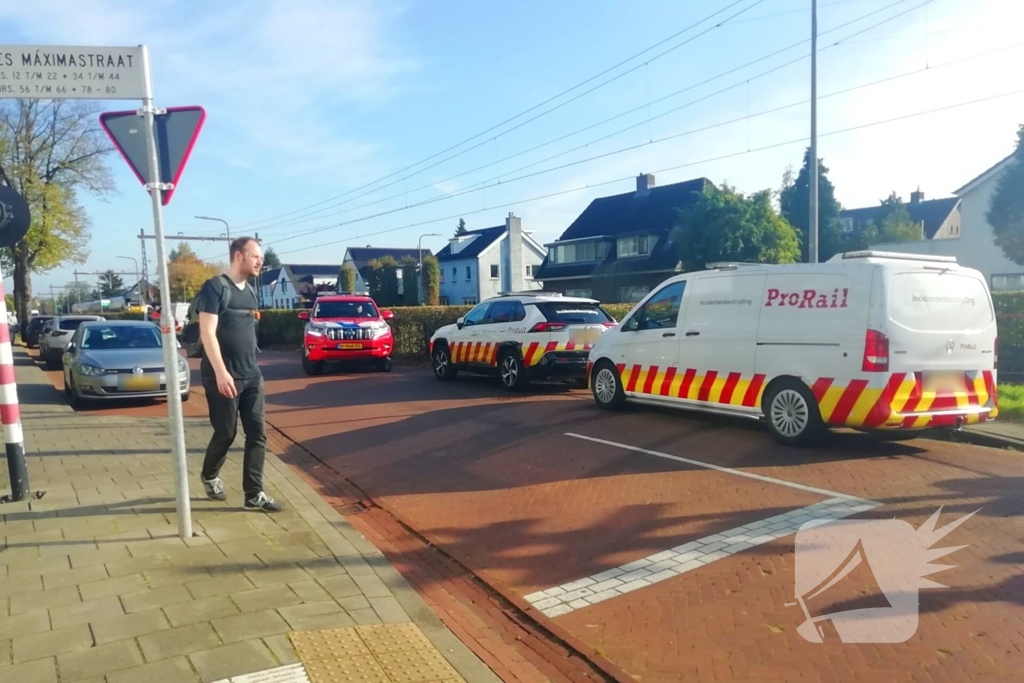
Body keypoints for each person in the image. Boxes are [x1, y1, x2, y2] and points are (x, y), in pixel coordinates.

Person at [197, 236, 280, 512]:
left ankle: (253, 494)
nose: (260, 261)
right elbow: (207, 333)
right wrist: (221, 373)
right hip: (222, 376)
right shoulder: (215, 288)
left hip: (251, 375)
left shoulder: (251, 292)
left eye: (260, 257)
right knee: (226, 433)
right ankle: (209, 475)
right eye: (255, 256)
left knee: (258, 433)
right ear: (238, 256)